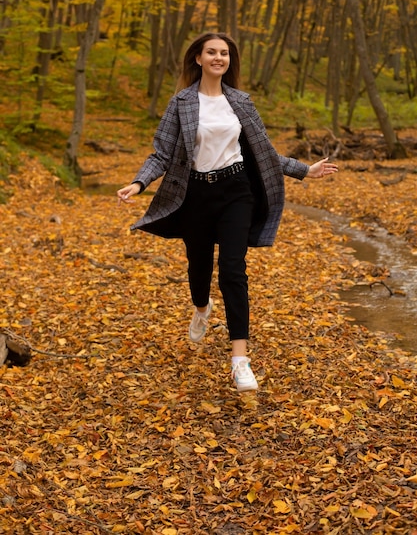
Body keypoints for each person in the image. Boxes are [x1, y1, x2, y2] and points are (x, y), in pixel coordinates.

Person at [117, 32, 338, 393]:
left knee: (233, 270)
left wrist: (304, 170)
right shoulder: (182, 103)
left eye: (225, 53)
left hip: (237, 191)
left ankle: (240, 362)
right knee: (199, 266)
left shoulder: (241, 101)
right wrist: (139, 184)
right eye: (212, 52)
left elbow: (264, 151)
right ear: (199, 59)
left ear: (229, 61)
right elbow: (161, 152)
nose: (219, 58)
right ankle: (201, 310)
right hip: (196, 195)